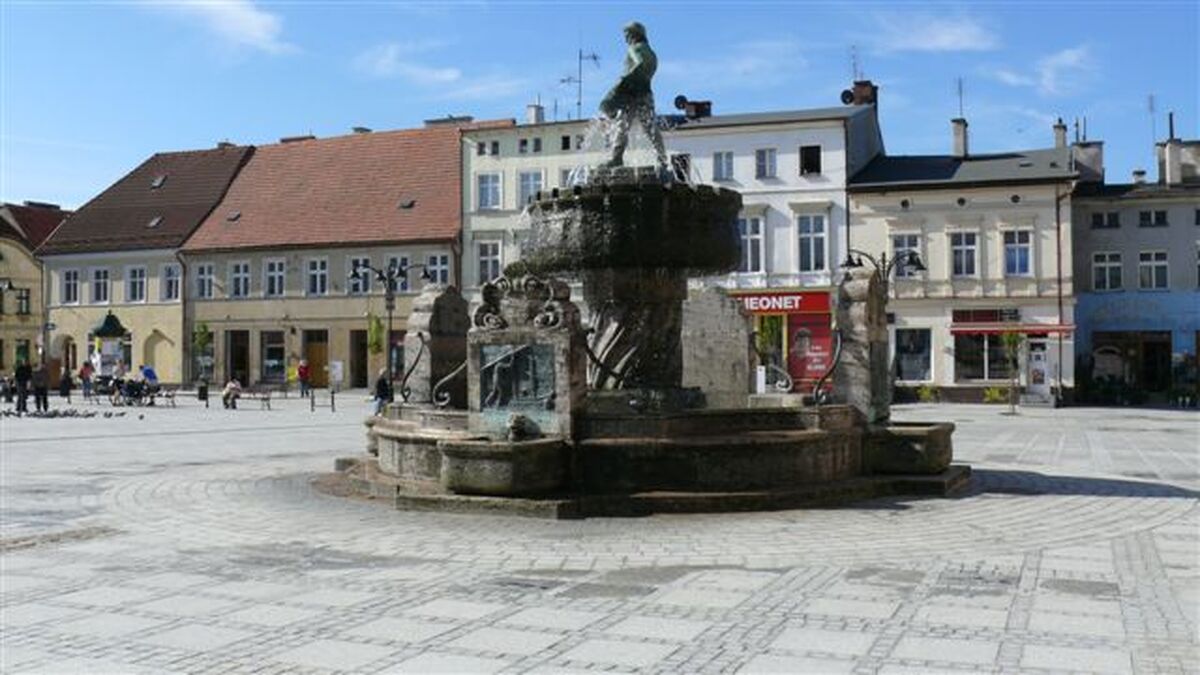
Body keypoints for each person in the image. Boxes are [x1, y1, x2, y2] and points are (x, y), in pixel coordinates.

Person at [599, 21, 668, 170]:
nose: (626, 39)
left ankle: (616, 158)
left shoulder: (634, 48)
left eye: (627, 34)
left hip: (630, 94)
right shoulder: (652, 53)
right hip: (646, 93)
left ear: (634, 34)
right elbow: (648, 69)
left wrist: (622, 82)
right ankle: (662, 158)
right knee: (651, 127)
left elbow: (640, 63)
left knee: (622, 125)